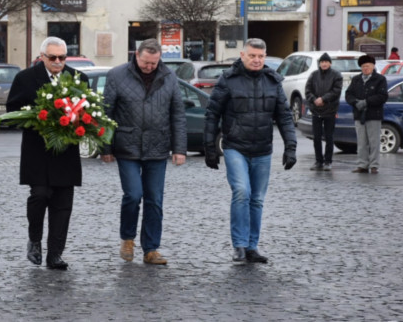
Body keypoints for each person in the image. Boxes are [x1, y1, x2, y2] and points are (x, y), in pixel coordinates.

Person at [204, 38, 297, 264]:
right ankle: (239, 245)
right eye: (252, 56)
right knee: (241, 192)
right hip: (235, 146)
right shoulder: (228, 80)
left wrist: (291, 146)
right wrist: (209, 148)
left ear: (265, 57)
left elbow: (284, 116)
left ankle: (252, 247)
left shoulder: (273, 81)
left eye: (261, 56)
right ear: (243, 55)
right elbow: (212, 114)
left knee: (257, 199)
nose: (257, 60)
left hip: (263, 149)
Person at [100, 38, 187, 265]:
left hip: (158, 146)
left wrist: (179, 149)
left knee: (154, 200)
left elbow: (177, 114)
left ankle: (151, 249)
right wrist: (105, 147)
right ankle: (127, 238)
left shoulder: (169, 77)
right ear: (136, 56)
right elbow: (106, 112)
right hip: (126, 144)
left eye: (154, 63)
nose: (150, 67)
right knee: (133, 195)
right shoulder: (117, 75)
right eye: (146, 62)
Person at [6, 37, 89, 270]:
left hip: (66, 151)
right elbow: (12, 110)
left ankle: (55, 254)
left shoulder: (78, 78)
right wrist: (35, 120)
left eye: (62, 57)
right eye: (52, 57)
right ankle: (34, 239)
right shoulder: (25, 78)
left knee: (63, 203)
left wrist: (79, 125)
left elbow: (88, 110)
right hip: (37, 149)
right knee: (39, 195)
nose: (57, 62)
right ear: (42, 57)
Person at [345, 54, 388, 174]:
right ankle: (362, 164)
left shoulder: (380, 79)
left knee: (374, 142)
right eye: (363, 66)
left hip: (374, 115)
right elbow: (348, 94)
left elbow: (383, 96)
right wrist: (355, 102)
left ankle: (374, 165)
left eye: (368, 66)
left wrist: (367, 102)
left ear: (373, 66)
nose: (365, 68)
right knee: (361, 142)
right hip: (359, 115)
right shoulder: (356, 79)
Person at [304, 53, 343, 171]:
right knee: (316, 137)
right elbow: (308, 90)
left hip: (330, 110)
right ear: (319, 63)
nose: (324, 64)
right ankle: (318, 161)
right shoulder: (314, 75)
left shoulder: (336, 75)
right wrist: (314, 100)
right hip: (316, 110)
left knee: (329, 137)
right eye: (322, 62)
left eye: (326, 62)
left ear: (330, 63)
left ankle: (328, 161)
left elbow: (336, 91)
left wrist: (323, 99)